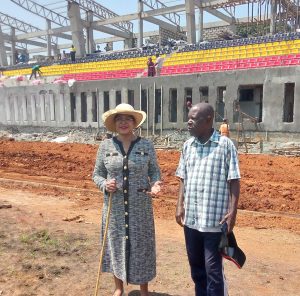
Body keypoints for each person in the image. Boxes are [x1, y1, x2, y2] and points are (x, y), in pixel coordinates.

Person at [93, 103, 162, 296]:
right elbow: (97, 174)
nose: (124, 123)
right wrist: (104, 185)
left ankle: (144, 290)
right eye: (119, 119)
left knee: (141, 248)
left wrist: (156, 184)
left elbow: (155, 171)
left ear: (135, 122)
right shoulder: (105, 146)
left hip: (141, 209)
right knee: (115, 245)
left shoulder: (146, 145)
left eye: (128, 119)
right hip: (114, 210)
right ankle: (118, 288)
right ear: (114, 124)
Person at [175, 102, 240, 296]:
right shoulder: (188, 146)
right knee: (197, 270)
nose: (189, 122)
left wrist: (233, 213)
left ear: (208, 120)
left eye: (193, 119)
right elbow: (182, 177)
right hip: (192, 221)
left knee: (213, 270)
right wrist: (179, 205)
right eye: (189, 118)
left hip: (214, 221)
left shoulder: (225, 145)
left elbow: (234, 180)